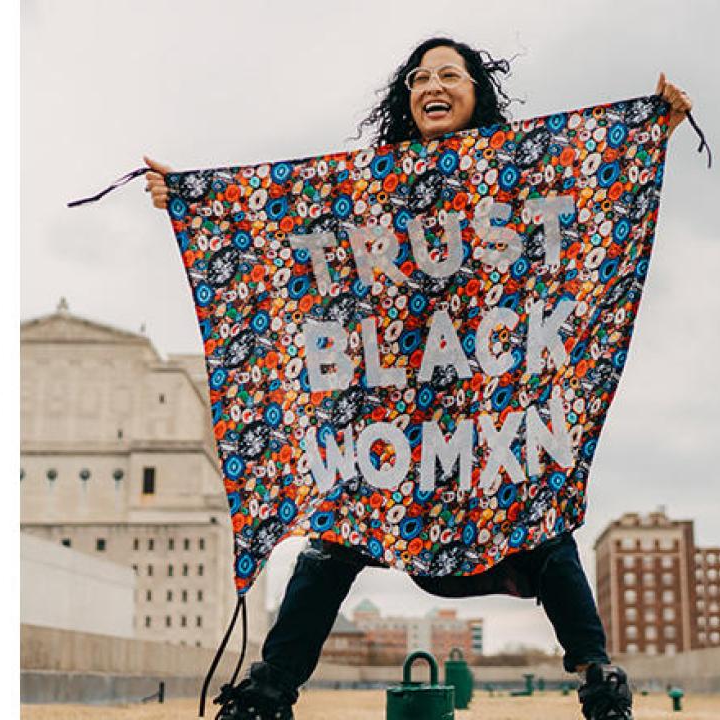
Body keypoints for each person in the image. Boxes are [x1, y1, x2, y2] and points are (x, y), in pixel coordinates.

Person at [145, 37, 692, 720]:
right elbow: (281, 223)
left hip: (484, 420)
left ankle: (599, 678)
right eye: (418, 77)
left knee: (541, 515)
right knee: (338, 528)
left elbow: (588, 190)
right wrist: (199, 204)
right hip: (395, 430)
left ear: (476, 90)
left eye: (449, 74)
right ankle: (268, 691)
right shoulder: (371, 185)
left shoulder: (522, 175)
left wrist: (646, 136)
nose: (431, 84)